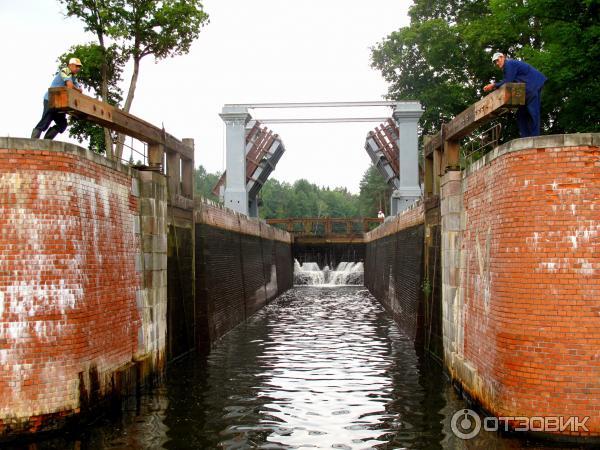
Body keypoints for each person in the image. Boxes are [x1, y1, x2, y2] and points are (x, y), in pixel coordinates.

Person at [483, 52, 547, 138]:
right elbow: (510, 83)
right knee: (520, 114)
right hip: (525, 90)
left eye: (497, 60)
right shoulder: (507, 67)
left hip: (532, 86)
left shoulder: (509, 64)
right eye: (495, 62)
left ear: (502, 57)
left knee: (533, 112)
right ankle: (526, 138)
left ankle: (535, 137)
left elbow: (508, 81)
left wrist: (493, 85)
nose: (497, 63)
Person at [31, 57, 83, 140]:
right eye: (76, 66)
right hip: (51, 99)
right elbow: (70, 86)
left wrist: (77, 89)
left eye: (79, 67)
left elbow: (80, 91)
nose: (78, 68)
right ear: (70, 65)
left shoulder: (74, 77)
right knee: (45, 121)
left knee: (62, 124)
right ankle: (33, 142)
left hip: (60, 102)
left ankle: (46, 141)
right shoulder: (65, 70)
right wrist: (77, 89)